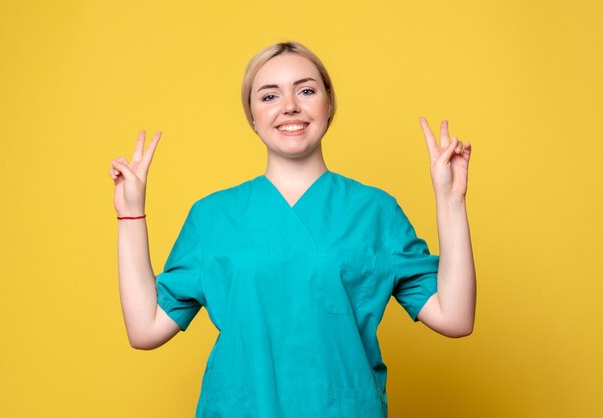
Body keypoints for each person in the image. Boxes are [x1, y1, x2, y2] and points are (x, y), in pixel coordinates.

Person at [109, 41, 476, 417]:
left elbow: (456, 316)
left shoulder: (375, 211)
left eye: (306, 90)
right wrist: (130, 214)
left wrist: (451, 200)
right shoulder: (212, 216)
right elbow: (146, 329)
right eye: (269, 96)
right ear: (251, 115)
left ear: (328, 104)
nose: (289, 106)